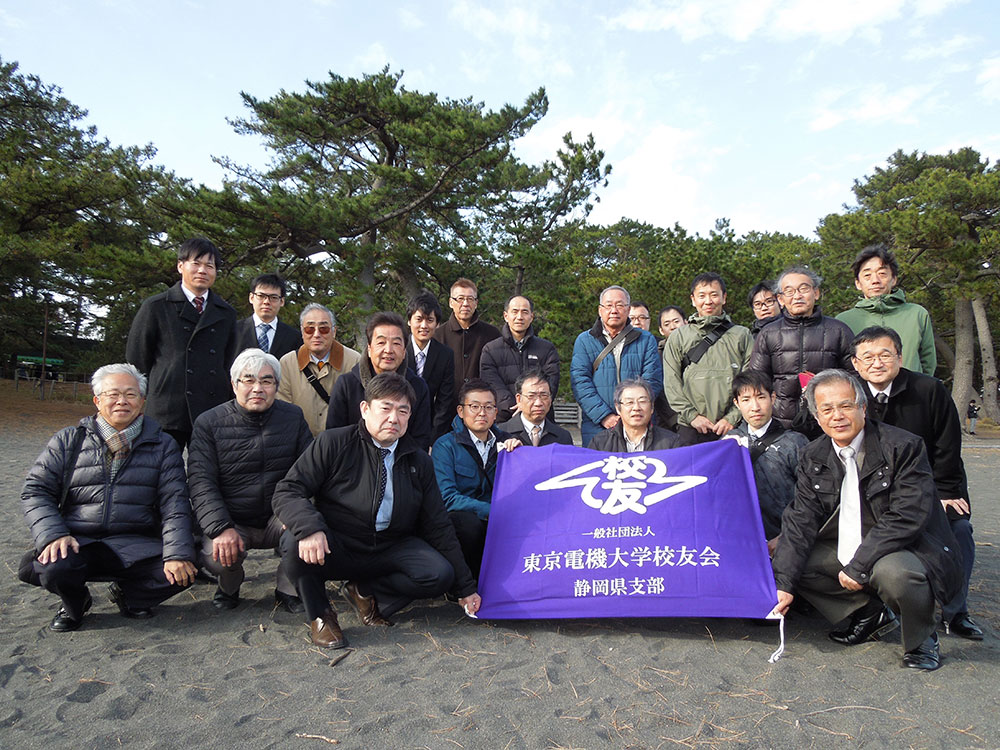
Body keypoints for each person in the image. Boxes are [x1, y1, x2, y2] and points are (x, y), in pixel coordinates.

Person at [771, 370, 963, 671]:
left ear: (863, 407)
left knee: (896, 575)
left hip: (900, 545)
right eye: (827, 409)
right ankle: (869, 613)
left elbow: (907, 516)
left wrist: (859, 566)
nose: (837, 416)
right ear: (817, 417)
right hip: (849, 539)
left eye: (846, 405)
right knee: (796, 564)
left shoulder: (903, 446)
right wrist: (783, 583)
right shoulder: (812, 454)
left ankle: (921, 638)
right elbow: (801, 520)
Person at [273, 373, 480, 649]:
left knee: (439, 574)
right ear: (365, 408)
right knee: (293, 541)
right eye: (385, 408)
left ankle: (365, 591)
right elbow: (287, 490)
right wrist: (310, 526)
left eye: (403, 410)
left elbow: (438, 525)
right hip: (339, 541)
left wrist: (466, 588)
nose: (394, 418)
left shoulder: (418, 460)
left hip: (390, 545)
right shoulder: (333, 443)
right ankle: (321, 616)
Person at [20, 363, 196, 631]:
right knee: (52, 566)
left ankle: (131, 596)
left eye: (130, 394)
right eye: (113, 394)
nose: (122, 401)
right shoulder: (69, 440)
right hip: (78, 540)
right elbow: (36, 489)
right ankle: (75, 603)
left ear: (142, 401)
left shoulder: (163, 445)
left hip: (137, 542)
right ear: (97, 400)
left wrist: (177, 553)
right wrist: (53, 534)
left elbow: (175, 503)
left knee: (185, 568)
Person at [851, 327, 981, 640]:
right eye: (867, 357)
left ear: (899, 356)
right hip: (875, 494)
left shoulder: (929, 389)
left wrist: (947, 492)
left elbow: (947, 447)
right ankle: (880, 609)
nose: (877, 363)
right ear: (855, 363)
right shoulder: (850, 394)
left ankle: (955, 611)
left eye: (885, 355)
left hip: (931, 488)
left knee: (958, 530)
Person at [188, 349, 313, 613]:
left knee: (305, 532)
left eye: (267, 381)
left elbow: (308, 473)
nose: (258, 388)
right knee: (216, 558)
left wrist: (298, 515)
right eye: (248, 380)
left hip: (277, 515)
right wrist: (220, 527)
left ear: (276, 386)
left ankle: (286, 588)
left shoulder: (293, 417)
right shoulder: (208, 423)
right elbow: (201, 482)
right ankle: (229, 585)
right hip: (232, 519)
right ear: (234, 385)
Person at [126, 237, 239, 451]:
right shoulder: (156, 306)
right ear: (181, 266)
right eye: (196, 263)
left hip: (211, 407)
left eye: (209, 265)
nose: (202, 270)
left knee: (207, 475)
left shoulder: (226, 313)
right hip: (167, 408)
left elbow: (229, 361)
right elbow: (137, 360)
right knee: (160, 472)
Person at [432, 379, 521, 580]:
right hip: (464, 520)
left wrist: (519, 456)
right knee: (468, 524)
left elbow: (520, 488)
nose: (482, 412)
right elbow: (447, 497)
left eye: (488, 407)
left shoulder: (508, 444)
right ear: (461, 411)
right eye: (474, 406)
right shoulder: (445, 446)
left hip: (499, 517)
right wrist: (491, 511)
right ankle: (466, 582)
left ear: (496, 413)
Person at [748, 267, 854, 436]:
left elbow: (854, 377)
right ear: (781, 299)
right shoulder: (768, 333)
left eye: (803, 289)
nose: (797, 296)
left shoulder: (838, 330)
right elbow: (756, 379)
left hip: (829, 422)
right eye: (789, 291)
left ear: (816, 293)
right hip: (781, 423)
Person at [662, 273, 752, 445]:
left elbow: (749, 380)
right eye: (702, 295)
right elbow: (671, 382)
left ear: (724, 297)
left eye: (714, 294)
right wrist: (692, 416)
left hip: (732, 426)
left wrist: (732, 418)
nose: (708, 301)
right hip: (690, 427)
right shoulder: (679, 336)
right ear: (693, 299)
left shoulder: (742, 335)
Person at [571, 285, 663, 448]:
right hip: (597, 425)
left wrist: (630, 416)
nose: (614, 310)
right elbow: (580, 382)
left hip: (639, 423)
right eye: (608, 305)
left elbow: (652, 380)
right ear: (600, 310)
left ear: (628, 310)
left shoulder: (646, 339)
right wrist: (604, 416)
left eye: (620, 305)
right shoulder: (584, 340)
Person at [723, 371, 808, 549]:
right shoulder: (727, 443)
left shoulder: (794, 442)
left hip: (787, 539)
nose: (755, 407)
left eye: (761, 397)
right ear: (736, 404)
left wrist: (786, 536)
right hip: (740, 541)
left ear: (773, 398)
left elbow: (808, 498)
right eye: (746, 400)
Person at [326, 311, 433, 451]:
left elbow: (420, 439)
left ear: (404, 351)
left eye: (396, 343)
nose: (388, 350)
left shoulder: (417, 387)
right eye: (381, 342)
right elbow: (334, 436)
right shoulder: (347, 385)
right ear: (369, 349)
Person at [836, 244, 937, 376]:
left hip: (912, 393)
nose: (875, 280)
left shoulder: (917, 314)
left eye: (882, 274)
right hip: (863, 394)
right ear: (858, 283)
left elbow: (928, 362)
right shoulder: (843, 321)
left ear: (894, 279)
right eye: (867, 275)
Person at [276, 303, 361, 437]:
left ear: (334, 331)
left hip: (341, 443)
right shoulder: (287, 363)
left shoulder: (354, 361)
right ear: (302, 332)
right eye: (310, 329)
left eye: (324, 329)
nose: (316, 334)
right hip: (300, 444)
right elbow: (283, 410)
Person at [480, 295, 560, 423]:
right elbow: (492, 383)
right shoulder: (490, 350)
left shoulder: (547, 349)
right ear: (506, 316)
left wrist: (532, 405)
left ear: (531, 317)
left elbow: (552, 382)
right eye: (515, 311)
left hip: (540, 417)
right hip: (504, 418)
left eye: (524, 312)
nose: (519, 317)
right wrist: (517, 406)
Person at [432, 278, 500, 411]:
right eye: (460, 298)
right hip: (445, 410)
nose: (465, 304)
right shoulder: (437, 335)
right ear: (451, 302)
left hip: (482, 410)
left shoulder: (492, 334)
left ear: (476, 303)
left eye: (470, 299)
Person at [405, 292, 455, 442]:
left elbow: (444, 402)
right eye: (418, 319)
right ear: (409, 321)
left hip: (429, 426)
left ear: (437, 324)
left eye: (430, 320)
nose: (424, 326)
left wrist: (434, 439)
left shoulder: (445, 355)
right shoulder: (398, 349)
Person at [588, 379, 680, 452]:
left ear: (652, 407)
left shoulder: (671, 443)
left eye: (642, 401)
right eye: (629, 402)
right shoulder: (600, 443)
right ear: (618, 408)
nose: (636, 408)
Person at [235, 273, 303, 360]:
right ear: (251, 298)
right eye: (261, 296)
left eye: (273, 297)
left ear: (282, 301)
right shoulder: (234, 331)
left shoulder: (294, 337)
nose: (266, 301)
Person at [498, 371, 574, 447]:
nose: (538, 403)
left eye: (544, 396)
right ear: (518, 399)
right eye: (531, 396)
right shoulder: (500, 433)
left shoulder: (563, 437)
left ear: (550, 399)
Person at [654, 305, 687, 430]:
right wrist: (674, 419)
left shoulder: (702, 348)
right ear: (661, 330)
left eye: (676, 321)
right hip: (669, 420)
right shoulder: (657, 355)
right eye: (667, 324)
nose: (672, 327)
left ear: (686, 322)